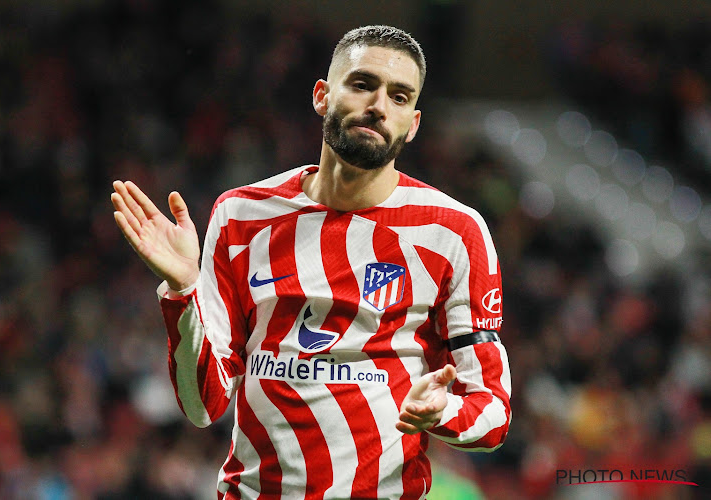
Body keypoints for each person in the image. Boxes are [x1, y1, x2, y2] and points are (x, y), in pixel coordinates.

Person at [111, 25, 511, 499]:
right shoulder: (240, 215)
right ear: (322, 95)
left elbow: (493, 414)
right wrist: (182, 292)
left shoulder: (453, 232)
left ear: (414, 122)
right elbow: (204, 406)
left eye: (399, 97)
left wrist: (440, 413)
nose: (379, 106)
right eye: (362, 85)